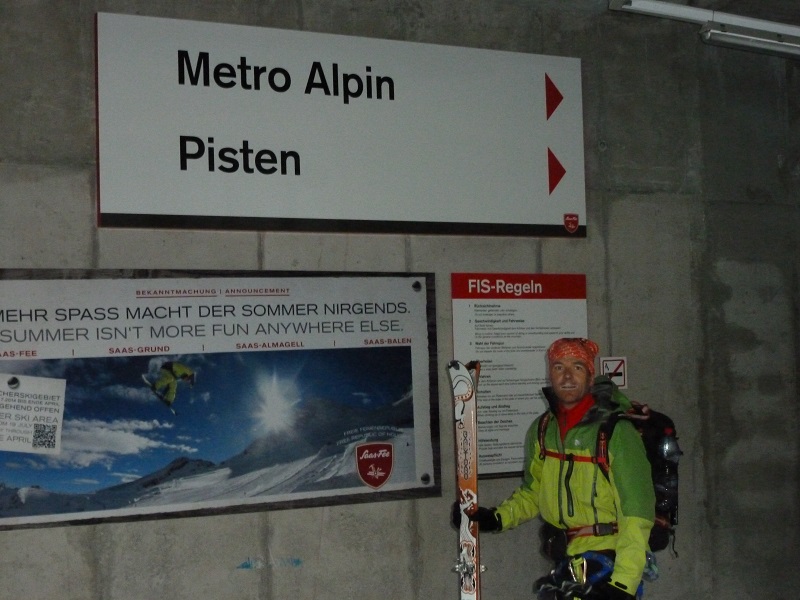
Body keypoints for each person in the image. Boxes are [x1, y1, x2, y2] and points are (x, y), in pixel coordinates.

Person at [453, 338, 655, 600]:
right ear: (550, 374)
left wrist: (623, 585)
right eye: (559, 367)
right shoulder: (542, 430)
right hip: (568, 557)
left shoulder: (616, 433)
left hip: (610, 557)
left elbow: (636, 514)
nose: (567, 376)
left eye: (577, 367)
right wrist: (495, 518)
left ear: (591, 376)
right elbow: (535, 492)